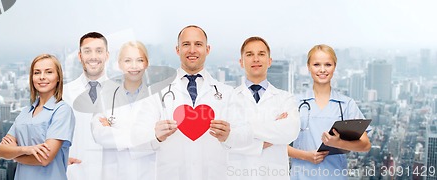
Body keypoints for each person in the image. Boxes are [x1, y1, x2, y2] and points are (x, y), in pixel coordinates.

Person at [132, 25, 252, 180]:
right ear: (178, 50)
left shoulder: (227, 93)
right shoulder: (156, 92)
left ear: (207, 49)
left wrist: (229, 135)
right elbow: (135, 139)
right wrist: (155, 136)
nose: (192, 50)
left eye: (198, 44)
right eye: (186, 44)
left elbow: (247, 136)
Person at [288, 44, 371, 179]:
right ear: (308, 67)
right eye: (316, 65)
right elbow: (275, 144)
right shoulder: (294, 102)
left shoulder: (346, 105)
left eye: (328, 65)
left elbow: (365, 145)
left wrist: (338, 143)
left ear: (334, 67)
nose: (322, 70)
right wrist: (306, 156)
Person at [227, 37, 300, 180]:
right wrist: (271, 133)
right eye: (249, 54)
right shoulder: (228, 99)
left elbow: (291, 132)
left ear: (269, 61)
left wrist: (241, 130)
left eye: (261, 54)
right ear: (241, 62)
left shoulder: (285, 98)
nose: (255, 59)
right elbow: (225, 142)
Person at [0, 54, 75, 180]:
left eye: (49, 72)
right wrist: (26, 149)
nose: (42, 77)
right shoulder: (24, 113)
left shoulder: (61, 110)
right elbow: (0, 151)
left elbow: (44, 159)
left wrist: (14, 154)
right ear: (32, 78)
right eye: (37, 73)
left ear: (58, 77)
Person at [90, 41, 155, 180]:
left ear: (147, 64)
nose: (134, 66)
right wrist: (142, 137)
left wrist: (114, 132)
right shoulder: (105, 96)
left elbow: (157, 140)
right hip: (114, 174)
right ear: (119, 64)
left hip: (147, 173)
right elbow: (99, 134)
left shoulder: (157, 98)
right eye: (127, 61)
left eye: (140, 60)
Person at [63, 32, 119, 180]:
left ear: (107, 55)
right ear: (80, 56)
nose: (93, 57)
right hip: (74, 173)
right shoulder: (64, 93)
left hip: (111, 173)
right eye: (87, 51)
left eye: (99, 51)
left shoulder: (121, 94)